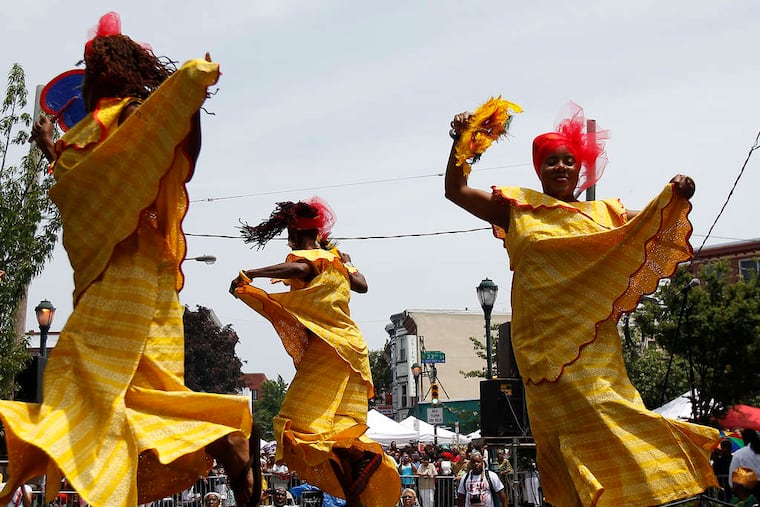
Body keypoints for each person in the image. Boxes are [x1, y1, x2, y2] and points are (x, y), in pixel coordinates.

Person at [0, 12, 258, 507]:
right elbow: (96, 182)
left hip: (121, 283)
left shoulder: (128, 117)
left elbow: (134, 166)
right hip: (139, 286)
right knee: (135, 398)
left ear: (106, 70)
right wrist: (53, 151)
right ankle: (225, 435)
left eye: (93, 66)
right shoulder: (98, 131)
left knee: (77, 378)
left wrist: (188, 101)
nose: (88, 73)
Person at [445, 102, 719, 507]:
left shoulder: (605, 212)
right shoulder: (518, 208)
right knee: (560, 433)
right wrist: (461, 144)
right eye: (551, 161)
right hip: (540, 347)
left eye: (568, 161)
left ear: (579, 169)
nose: (560, 168)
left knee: (610, 408)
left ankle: (657, 485)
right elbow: (457, 191)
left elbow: (651, 222)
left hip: (592, 343)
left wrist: (677, 194)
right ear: (539, 169)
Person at [230, 197, 400, 507]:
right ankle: (355, 470)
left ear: (293, 233)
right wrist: (348, 263)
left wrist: (251, 273)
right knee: (333, 427)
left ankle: (358, 457)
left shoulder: (308, 257)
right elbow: (361, 285)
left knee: (294, 422)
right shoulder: (336, 259)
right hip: (350, 348)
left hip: (331, 348)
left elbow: (298, 267)